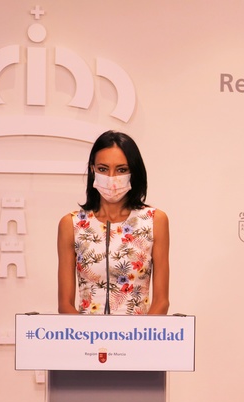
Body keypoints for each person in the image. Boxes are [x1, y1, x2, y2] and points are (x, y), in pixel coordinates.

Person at [57, 131, 170, 315]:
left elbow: (162, 301)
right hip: (84, 338)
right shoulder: (71, 224)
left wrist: (140, 338)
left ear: (133, 171)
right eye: (103, 169)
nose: (112, 177)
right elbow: (64, 304)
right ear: (92, 169)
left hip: (139, 337)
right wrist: (88, 339)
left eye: (121, 169)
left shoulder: (154, 220)